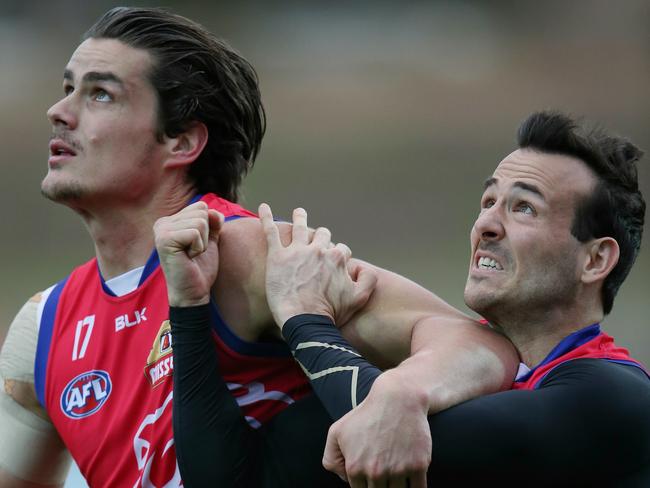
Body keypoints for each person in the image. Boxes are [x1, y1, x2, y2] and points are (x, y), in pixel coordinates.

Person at [0, 6, 518, 487]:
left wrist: (403, 394)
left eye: (99, 94)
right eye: (68, 88)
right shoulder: (41, 328)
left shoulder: (243, 253)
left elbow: (479, 345)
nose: (58, 111)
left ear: (181, 141)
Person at [164, 111, 650, 486]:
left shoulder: (616, 397)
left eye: (524, 207)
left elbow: (398, 438)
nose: (485, 226)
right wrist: (189, 307)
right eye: (487, 203)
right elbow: (233, 478)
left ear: (595, 260)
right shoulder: (442, 379)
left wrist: (304, 315)